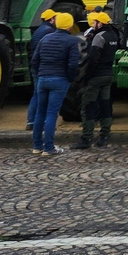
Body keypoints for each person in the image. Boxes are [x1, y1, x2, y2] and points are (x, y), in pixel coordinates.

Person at [31, 12, 79, 156]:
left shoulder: (45, 38)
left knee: (40, 112)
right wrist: (69, 79)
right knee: (52, 114)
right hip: (59, 79)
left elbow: (34, 60)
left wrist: (40, 74)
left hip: (42, 79)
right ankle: (48, 147)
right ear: (70, 25)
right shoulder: (71, 41)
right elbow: (72, 65)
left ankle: (36, 146)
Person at [72, 11, 119, 150]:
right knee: (105, 107)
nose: (92, 24)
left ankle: (86, 138)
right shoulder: (113, 35)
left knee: (88, 106)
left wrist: (87, 77)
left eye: (94, 23)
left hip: (96, 76)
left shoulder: (99, 37)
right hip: (108, 75)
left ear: (100, 23)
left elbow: (93, 59)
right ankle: (104, 137)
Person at [25, 9, 58, 130]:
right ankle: (42, 122)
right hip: (43, 68)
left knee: (36, 94)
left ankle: (31, 121)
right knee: (43, 96)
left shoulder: (38, 30)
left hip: (35, 66)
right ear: (51, 19)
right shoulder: (49, 31)